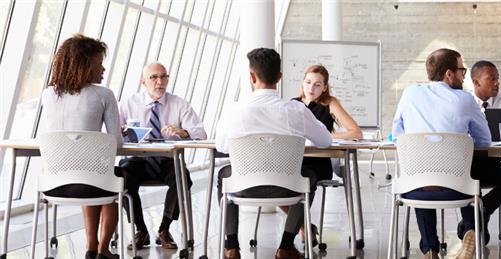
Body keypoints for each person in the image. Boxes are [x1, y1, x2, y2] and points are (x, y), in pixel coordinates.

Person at [392, 48, 501, 259]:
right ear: (449, 74)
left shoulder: (409, 93)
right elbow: (484, 141)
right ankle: (472, 228)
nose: (464, 76)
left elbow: (397, 133)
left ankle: (430, 249)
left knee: (422, 174)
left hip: (415, 184)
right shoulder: (464, 99)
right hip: (458, 183)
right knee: (470, 174)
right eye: (462, 70)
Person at [215, 48, 332, 259]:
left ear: (251, 77)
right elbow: (325, 141)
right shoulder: (296, 110)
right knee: (309, 177)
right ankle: (286, 246)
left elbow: (222, 146)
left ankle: (231, 246)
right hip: (287, 188)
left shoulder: (233, 110)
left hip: (244, 187)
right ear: (279, 77)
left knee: (223, 175)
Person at [39, 34, 123, 259]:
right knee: (109, 178)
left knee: (94, 174)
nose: (103, 68)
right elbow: (117, 142)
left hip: (54, 185)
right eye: (99, 63)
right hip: (94, 184)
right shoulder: (105, 94)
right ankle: (103, 249)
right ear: (84, 65)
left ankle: (90, 247)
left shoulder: (48, 95)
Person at [118, 62, 207, 250]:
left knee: (182, 177)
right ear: (143, 81)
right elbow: (111, 131)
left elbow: (200, 133)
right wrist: (124, 131)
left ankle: (164, 228)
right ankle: (141, 229)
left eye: (164, 76)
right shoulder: (129, 103)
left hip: (167, 160)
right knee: (121, 178)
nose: (160, 82)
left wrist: (183, 132)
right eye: (153, 77)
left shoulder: (179, 103)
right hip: (137, 160)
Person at [287, 64, 363, 244]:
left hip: (318, 164)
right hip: (294, 160)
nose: (311, 88)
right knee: (277, 182)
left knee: (305, 179)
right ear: (303, 83)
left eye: (317, 84)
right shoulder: (292, 104)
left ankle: (290, 239)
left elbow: (356, 133)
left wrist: (329, 136)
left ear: (325, 87)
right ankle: (305, 225)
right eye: (308, 82)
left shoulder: (330, 103)